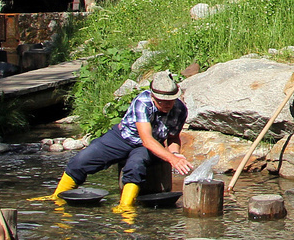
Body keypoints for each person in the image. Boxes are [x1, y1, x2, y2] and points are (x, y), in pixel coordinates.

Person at [47, 73, 190, 210]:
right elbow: (146, 139)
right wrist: (171, 159)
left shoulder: (180, 109)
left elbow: (172, 137)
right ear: (153, 96)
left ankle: (125, 206)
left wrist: (175, 154)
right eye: (161, 101)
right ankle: (57, 197)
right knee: (82, 160)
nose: (167, 104)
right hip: (123, 137)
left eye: (170, 100)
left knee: (135, 166)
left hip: (148, 146)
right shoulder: (143, 103)